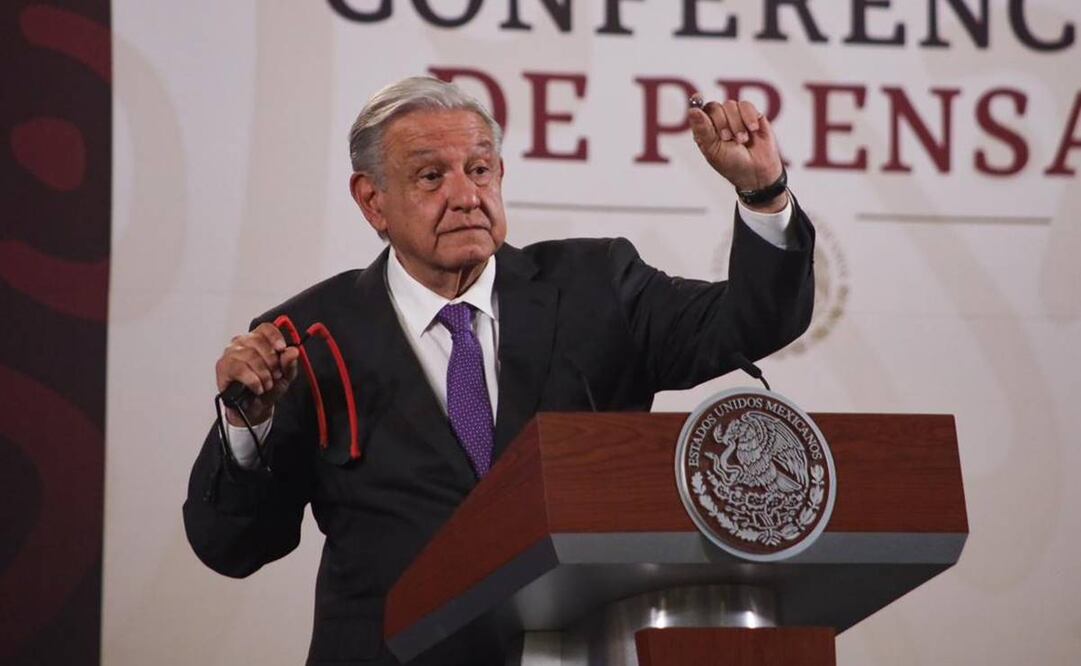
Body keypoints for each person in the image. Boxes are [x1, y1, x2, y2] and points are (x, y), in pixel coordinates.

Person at [184, 76, 815, 665]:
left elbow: (751, 323)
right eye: (431, 177)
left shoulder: (599, 288)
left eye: (479, 169)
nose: (465, 195)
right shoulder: (307, 338)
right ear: (372, 201)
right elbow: (234, 547)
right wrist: (248, 427)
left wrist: (762, 194)